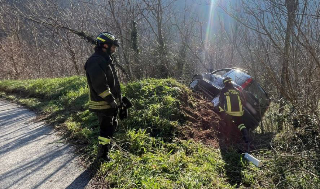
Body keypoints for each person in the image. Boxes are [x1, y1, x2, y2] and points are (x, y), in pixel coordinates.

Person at [84, 32, 121, 160]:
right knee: (106, 129)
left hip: (108, 102)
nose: (114, 50)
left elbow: (112, 82)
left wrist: (118, 100)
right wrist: (111, 100)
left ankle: (106, 151)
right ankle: (102, 155)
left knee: (111, 127)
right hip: (102, 103)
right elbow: (99, 85)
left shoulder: (105, 59)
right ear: (105, 45)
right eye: (113, 46)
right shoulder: (96, 61)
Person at [219, 77, 249, 144]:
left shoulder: (224, 90)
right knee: (240, 124)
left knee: (227, 123)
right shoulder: (237, 90)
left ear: (225, 83)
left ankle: (228, 140)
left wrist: (222, 112)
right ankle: (246, 138)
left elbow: (221, 101)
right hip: (239, 112)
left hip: (229, 112)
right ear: (231, 82)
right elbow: (243, 101)